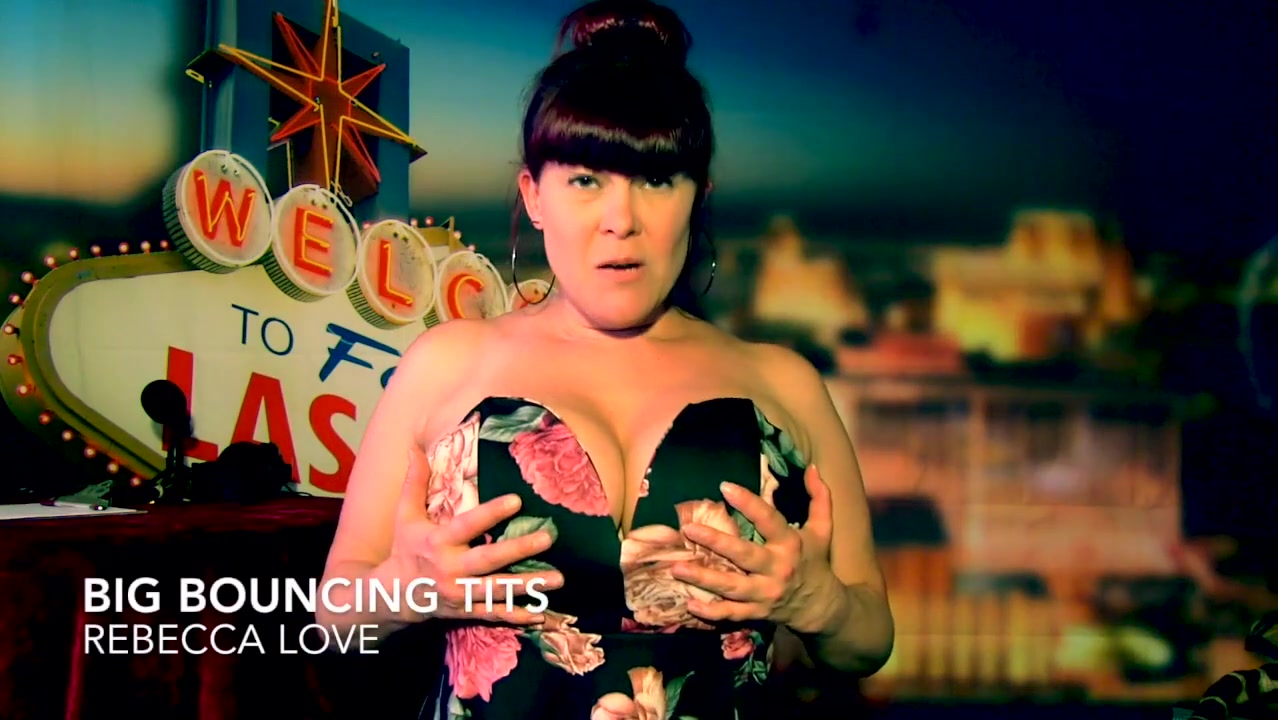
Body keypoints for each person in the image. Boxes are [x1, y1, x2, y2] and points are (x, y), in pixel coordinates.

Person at [317, 1, 893, 717]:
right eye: (586, 180)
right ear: (534, 196)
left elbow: (869, 640)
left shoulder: (783, 383)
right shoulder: (445, 365)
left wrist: (818, 601)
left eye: (656, 180)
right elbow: (333, 619)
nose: (621, 220)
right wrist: (406, 588)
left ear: (698, 198)